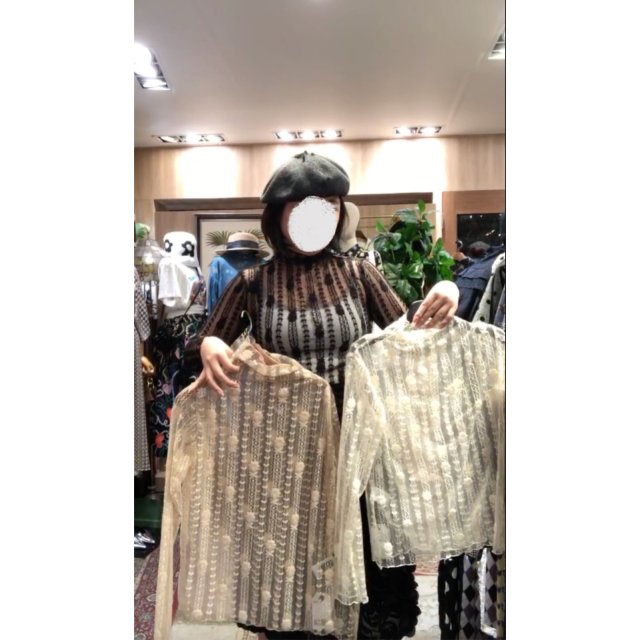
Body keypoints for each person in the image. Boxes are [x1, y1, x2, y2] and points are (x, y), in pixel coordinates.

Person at [193, 150, 460, 640]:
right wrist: (210, 344)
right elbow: (207, 338)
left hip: (359, 444)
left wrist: (448, 288)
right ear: (278, 215)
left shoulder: (360, 274)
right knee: (293, 561)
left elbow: (408, 336)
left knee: (365, 565)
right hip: (285, 448)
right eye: (303, 206)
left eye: (330, 205)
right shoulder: (253, 282)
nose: (318, 217)